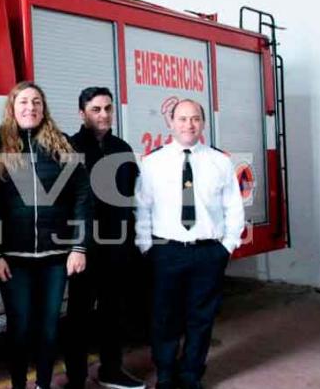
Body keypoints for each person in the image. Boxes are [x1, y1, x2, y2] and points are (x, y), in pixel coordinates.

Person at [0, 81, 92, 389]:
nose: (31, 107)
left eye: (37, 102)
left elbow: (82, 195)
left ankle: (43, 384)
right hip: (13, 261)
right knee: (19, 328)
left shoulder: (62, 145)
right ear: (12, 108)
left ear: (44, 108)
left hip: (55, 258)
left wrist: (79, 247)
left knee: (48, 329)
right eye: (24, 102)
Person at [134, 99, 244, 389]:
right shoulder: (153, 162)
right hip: (166, 251)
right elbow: (142, 206)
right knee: (164, 317)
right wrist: (147, 245)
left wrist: (227, 246)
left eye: (195, 119)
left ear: (203, 123)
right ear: (170, 123)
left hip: (208, 252)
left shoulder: (219, 161)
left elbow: (234, 206)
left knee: (201, 318)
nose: (188, 125)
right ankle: (167, 374)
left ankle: (191, 374)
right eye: (182, 119)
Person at [65, 87, 146, 389]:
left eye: (108, 108)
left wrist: (135, 242)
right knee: (78, 317)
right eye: (96, 109)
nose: (103, 114)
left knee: (114, 312)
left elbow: (133, 198)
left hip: (118, 247)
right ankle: (75, 379)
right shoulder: (68, 148)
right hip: (83, 248)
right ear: (81, 113)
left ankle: (111, 370)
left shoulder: (122, 149)